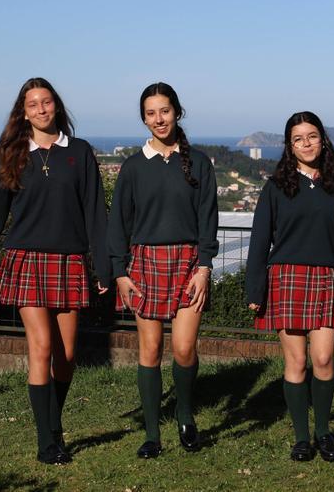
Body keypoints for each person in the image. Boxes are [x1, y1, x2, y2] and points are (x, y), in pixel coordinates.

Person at [0, 77, 110, 465]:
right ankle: (46, 442)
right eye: (33, 104)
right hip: (26, 261)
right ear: (23, 112)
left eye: (46, 102)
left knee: (66, 356)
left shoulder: (79, 153)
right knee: (42, 347)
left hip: (70, 261)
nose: (41, 109)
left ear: (57, 106)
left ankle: (55, 424)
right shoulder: (11, 154)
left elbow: (95, 213)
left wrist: (103, 267)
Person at [245, 111, 334, 462]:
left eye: (312, 136)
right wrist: (254, 290)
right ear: (290, 146)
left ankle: (323, 432)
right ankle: (302, 437)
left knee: (322, 359)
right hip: (286, 279)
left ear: (323, 140)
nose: (306, 144)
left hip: (325, 277)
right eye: (298, 139)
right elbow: (259, 241)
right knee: (297, 361)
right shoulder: (276, 187)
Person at [107, 82, 218, 459]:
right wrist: (120, 272)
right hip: (144, 266)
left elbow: (208, 219)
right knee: (150, 349)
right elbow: (118, 224)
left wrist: (204, 267)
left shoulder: (199, 162)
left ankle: (185, 416)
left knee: (184, 349)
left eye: (165, 111)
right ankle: (152, 434)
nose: (159, 119)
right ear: (143, 118)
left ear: (177, 112)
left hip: (189, 264)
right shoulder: (133, 167)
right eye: (151, 113)